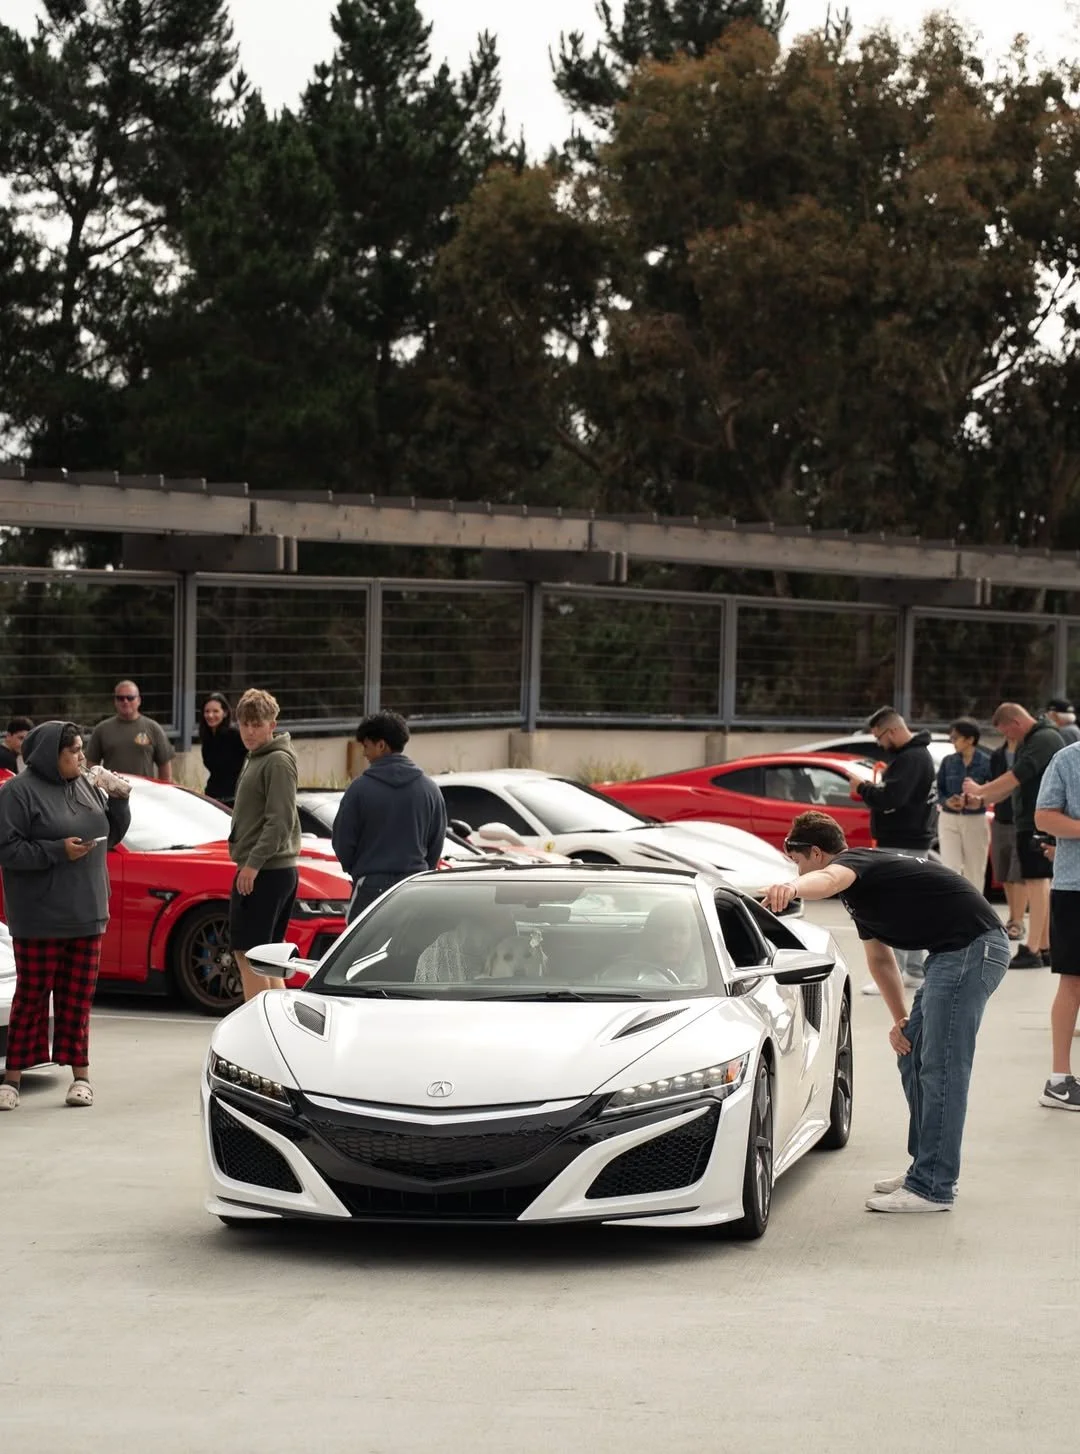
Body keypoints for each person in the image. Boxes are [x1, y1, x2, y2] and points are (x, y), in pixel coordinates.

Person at [762, 810, 1009, 1213]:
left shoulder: (854, 863)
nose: (796, 868)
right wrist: (901, 1020)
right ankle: (924, 1170)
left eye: (797, 860)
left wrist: (792, 887)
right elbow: (881, 962)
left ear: (818, 853)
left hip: (972, 950)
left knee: (942, 1066)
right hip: (952, 956)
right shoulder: (862, 898)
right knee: (913, 1056)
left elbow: (826, 880)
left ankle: (933, 1185)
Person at [0, 721, 131, 1110]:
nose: (81, 756)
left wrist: (120, 800)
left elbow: (114, 837)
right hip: (39, 915)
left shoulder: (88, 786)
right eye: (72, 750)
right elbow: (7, 850)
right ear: (49, 755)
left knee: (78, 998)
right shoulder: (17, 793)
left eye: (81, 748)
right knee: (32, 997)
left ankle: (81, 1076)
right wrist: (57, 851)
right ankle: (12, 1079)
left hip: (87, 910)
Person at [964, 702, 1063, 969]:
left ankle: (1035, 948)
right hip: (1029, 820)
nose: (1009, 739)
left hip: (1037, 822)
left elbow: (1015, 777)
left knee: (1037, 881)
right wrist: (981, 800)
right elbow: (1010, 787)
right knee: (1037, 881)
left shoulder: (1043, 739)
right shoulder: (1033, 739)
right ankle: (1043, 947)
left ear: (1016, 723)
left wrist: (981, 790)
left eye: (1008, 732)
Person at [850, 706, 936, 993]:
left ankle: (899, 971)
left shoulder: (911, 758)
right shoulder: (912, 756)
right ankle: (911, 969)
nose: (879, 743)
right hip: (908, 839)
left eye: (880, 736)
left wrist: (862, 788)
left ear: (895, 730)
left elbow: (891, 799)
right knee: (906, 905)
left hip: (903, 839)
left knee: (896, 906)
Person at [332, 710, 447, 922]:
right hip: (415, 886)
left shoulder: (359, 790)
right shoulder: (430, 789)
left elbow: (342, 841)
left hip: (370, 887)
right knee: (410, 950)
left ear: (381, 745)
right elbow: (436, 844)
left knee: (358, 951)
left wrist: (358, 870)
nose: (364, 754)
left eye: (366, 746)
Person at [227, 689, 301, 1002]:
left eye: (256, 724)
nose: (249, 731)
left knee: (251, 956)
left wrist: (253, 864)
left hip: (267, 870)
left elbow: (280, 821)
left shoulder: (277, 761)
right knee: (265, 959)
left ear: (273, 723)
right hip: (265, 870)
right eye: (244, 724)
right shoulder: (257, 758)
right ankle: (278, 1028)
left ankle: (259, 1030)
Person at [1034, 741, 1080, 1108]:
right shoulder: (1067, 759)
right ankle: (1059, 1081)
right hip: (1075, 887)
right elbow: (1044, 817)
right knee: (1073, 982)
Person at [936, 717, 991, 891]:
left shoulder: (986, 762)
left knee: (975, 869)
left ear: (970, 739)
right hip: (949, 818)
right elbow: (939, 790)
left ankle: (975, 911)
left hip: (975, 818)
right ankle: (952, 910)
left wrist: (978, 798)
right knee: (950, 867)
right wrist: (947, 802)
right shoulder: (948, 761)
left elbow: (993, 790)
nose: (952, 742)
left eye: (955, 738)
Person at [86, 680, 174, 781]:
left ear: (139, 700)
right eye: (120, 698)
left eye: (130, 698)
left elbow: (165, 766)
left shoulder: (153, 728)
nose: (125, 701)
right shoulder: (101, 730)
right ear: (115, 701)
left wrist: (162, 792)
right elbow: (91, 767)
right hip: (111, 792)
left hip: (144, 793)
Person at [988, 737, 1028, 943]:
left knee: (1018, 873)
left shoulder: (1027, 753)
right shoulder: (997, 755)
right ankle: (1012, 917)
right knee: (1003, 872)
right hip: (1001, 817)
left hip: (1021, 820)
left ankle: (1019, 921)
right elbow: (994, 785)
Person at [198, 692, 248, 804]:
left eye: (215, 711)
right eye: (207, 711)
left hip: (234, 798)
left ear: (224, 713)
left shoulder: (236, 735)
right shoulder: (207, 737)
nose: (210, 715)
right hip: (212, 796)